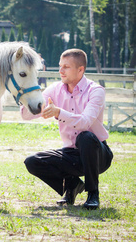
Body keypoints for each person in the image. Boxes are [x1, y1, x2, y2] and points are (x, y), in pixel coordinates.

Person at [21, 49, 113, 210]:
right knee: (32, 161)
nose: (60, 70)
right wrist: (25, 96)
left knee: (85, 137)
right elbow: (27, 115)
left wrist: (58, 112)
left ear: (80, 70)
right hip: (71, 154)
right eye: (60, 66)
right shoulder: (55, 89)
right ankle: (73, 185)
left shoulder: (96, 91)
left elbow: (85, 122)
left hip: (98, 154)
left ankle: (93, 194)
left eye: (66, 67)